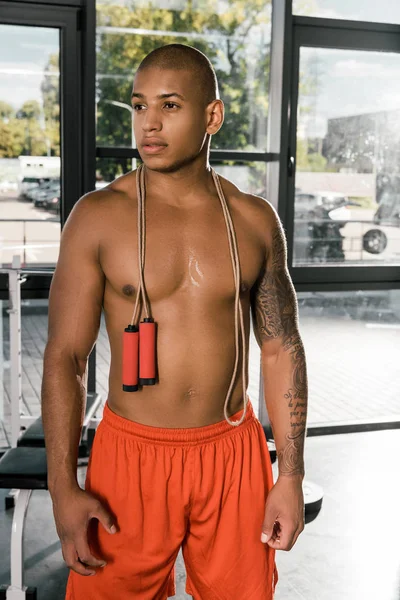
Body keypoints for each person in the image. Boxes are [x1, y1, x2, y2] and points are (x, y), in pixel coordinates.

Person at [41, 43, 308, 600]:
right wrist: (62, 485)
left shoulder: (255, 221)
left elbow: (282, 349)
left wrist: (289, 476)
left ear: (212, 115)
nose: (150, 124)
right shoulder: (98, 217)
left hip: (232, 451)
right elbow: (67, 357)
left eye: (169, 105)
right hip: (130, 454)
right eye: (139, 107)